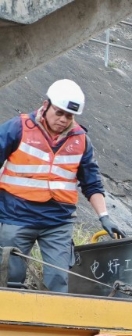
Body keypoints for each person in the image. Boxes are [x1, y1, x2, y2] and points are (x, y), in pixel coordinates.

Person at [0, 79, 125, 292]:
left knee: (58, 281)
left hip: (57, 222)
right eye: (59, 112)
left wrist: (104, 216)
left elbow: (92, 183)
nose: (63, 120)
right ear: (45, 105)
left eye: (69, 116)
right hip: (16, 216)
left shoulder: (81, 140)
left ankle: (49, 324)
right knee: (10, 279)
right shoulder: (17, 128)